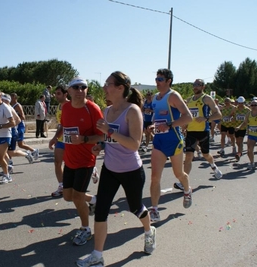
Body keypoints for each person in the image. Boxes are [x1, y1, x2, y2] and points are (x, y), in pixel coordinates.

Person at [76, 72, 156, 267]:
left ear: (120, 88)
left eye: (108, 84)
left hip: (131, 170)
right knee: (101, 210)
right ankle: (97, 256)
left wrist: (109, 132)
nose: (104, 87)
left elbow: (134, 144)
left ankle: (149, 231)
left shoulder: (132, 111)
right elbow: (108, 139)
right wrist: (101, 145)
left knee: (136, 207)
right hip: (110, 169)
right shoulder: (107, 110)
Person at [49, 77, 103, 246]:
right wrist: (55, 138)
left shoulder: (93, 109)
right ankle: (94, 200)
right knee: (67, 196)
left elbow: (103, 134)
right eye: (76, 87)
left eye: (83, 87)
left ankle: (86, 229)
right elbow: (64, 127)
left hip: (86, 159)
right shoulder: (65, 108)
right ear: (69, 91)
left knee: (78, 197)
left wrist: (85, 139)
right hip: (70, 159)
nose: (80, 90)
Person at [148, 69, 193, 222]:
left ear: (168, 81)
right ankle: (154, 209)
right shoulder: (155, 98)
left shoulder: (173, 96)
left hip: (174, 141)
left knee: (179, 174)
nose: (157, 82)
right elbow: (157, 116)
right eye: (156, 79)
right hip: (159, 141)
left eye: (160, 79)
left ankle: (187, 190)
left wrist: (170, 124)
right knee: (155, 177)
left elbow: (188, 117)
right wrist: (153, 126)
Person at [181, 80, 223, 185]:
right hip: (191, 131)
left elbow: (218, 114)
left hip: (203, 131)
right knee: (188, 156)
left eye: (198, 85)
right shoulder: (189, 100)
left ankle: (213, 166)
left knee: (206, 155)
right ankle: (183, 182)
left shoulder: (206, 99)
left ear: (203, 87)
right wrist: (184, 125)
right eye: (194, 85)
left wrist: (206, 118)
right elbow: (187, 115)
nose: (195, 87)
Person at [1, 94, 33, 175]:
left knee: (9, 152)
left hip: (11, 132)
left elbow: (19, 119)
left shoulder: (10, 108)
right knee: (4, 152)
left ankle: (26, 154)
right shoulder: (2, 108)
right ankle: (8, 167)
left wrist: (13, 127)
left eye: (2, 99)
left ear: (6, 100)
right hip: (4, 132)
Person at [48, 85, 69, 197]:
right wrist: (56, 137)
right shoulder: (58, 107)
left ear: (66, 94)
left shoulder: (71, 106)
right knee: (57, 162)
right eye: (55, 93)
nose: (56, 95)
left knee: (72, 165)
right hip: (61, 139)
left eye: (59, 93)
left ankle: (92, 170)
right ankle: (61, 186)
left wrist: (55, 137)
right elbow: (61, 124)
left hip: (71, 140)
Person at [235, 99, 257, 170]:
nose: (253, 106)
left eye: (255, 105)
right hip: (251, 134)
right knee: (249, 149)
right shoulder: (248, 114)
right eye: (252, 105)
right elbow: (245, 122)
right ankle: (252, 163)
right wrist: (239, 127)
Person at [10, 93, 39, 160]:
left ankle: (33, 151)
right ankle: (33, 151)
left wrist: (15, 118)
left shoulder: (17, 105)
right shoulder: (12, 106)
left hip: (19, 126)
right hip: (15, 126)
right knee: (19, 144)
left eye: (11, 97)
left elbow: (23, 117)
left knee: (20, 144)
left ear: (14, 97)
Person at [233, 96, 250, 162]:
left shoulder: (247, 110)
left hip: (243, 127)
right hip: (236, 127)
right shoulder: (235, 109)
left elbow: (250, 118)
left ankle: (239, 154)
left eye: (242, 103)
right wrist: (232, 119)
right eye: (239, 103)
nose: (240, 104)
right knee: (237, 141)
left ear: (244, 103)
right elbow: (231, 115)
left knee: (241, 140)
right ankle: (241, 149)